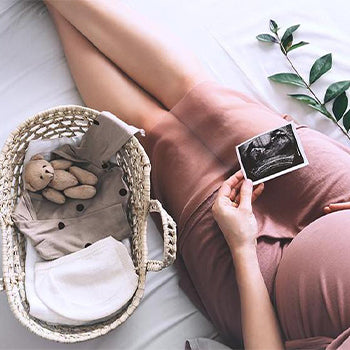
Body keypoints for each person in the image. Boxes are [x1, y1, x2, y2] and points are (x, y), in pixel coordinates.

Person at [43, 1, 350, 348]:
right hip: (335, 200)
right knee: (202, 98)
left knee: (156, 134)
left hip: (263, 289)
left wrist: (242, 246)